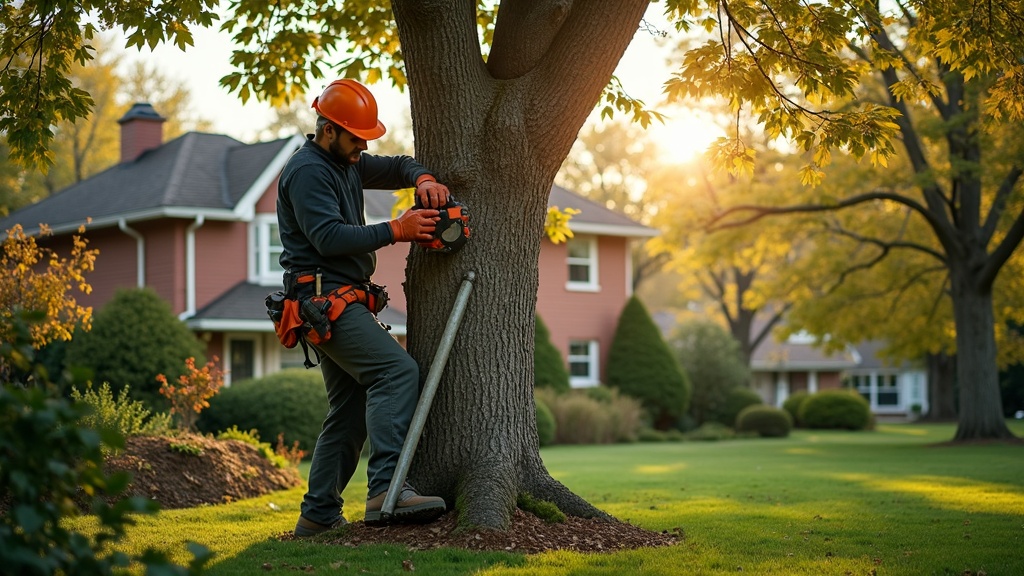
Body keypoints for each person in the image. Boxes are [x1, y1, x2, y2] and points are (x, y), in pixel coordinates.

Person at [276, 78, 451, 537]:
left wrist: (423, 178)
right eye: (356, 139)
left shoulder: (347, 162)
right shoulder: (308, 170)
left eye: (365, 140)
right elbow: (328, 238)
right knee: (396, 372)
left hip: (336, 298)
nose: (361, 149)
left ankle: (317, 515)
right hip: (323, 299)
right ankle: (387, 489)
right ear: (328, 130)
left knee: (350, 409)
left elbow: (394, 165)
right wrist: (399, 228)